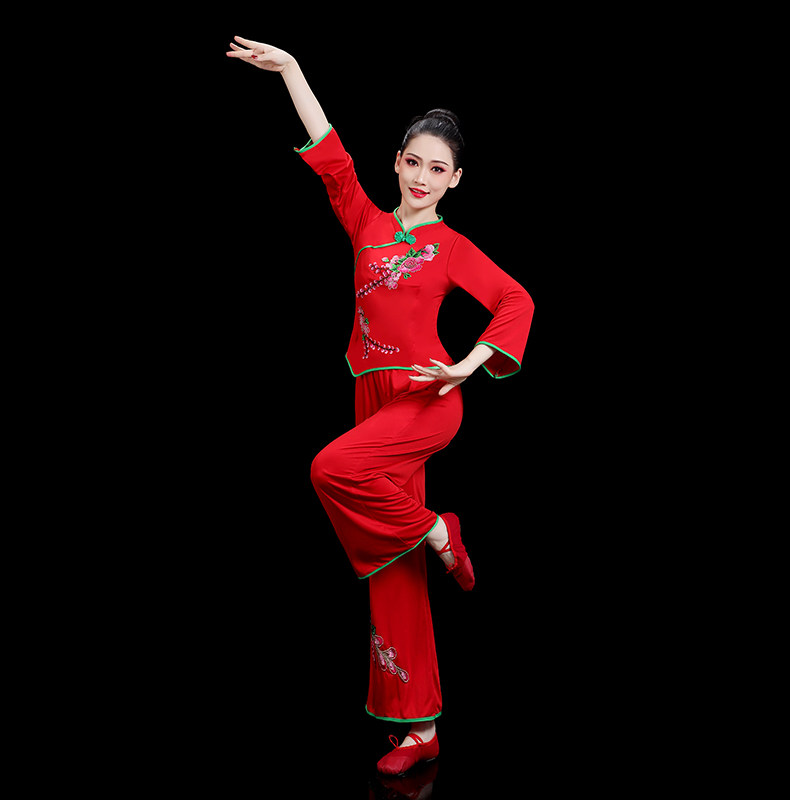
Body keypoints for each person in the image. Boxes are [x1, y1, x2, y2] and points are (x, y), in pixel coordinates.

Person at [227, 36, 534, 776]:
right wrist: (292, 71)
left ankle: (438, 529)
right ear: (396, 162)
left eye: (439, 169)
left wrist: (465, 367)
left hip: (425, 396)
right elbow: (332, 156)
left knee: (330, 469)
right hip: (371, 396)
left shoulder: (452, 247)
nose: (423, 178)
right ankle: (420, 730)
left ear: (455, 180)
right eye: (413, 162)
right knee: (393, 571)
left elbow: (515, 300)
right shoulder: (366, 222)